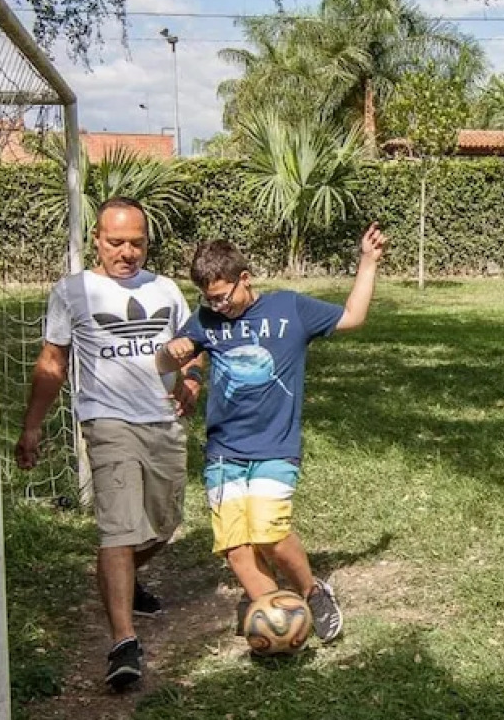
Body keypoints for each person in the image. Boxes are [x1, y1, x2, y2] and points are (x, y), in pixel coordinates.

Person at [156, 225, 387, 646]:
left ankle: (314, 592)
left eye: (224, 295)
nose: (218, 306)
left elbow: (353, 317)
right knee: (235, 544)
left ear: (246, 278)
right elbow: (173, 359)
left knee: (269, 533)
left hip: (274, 446)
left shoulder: (289, 309)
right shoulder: (206, 319)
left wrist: (367, 262)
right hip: (223, 450)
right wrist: (172, 359)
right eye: (209, 299)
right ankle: (276, 617)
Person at [15, 197, 201, 691]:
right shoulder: (73, 292)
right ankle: (124, 642)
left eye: (136, 242)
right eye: (116, 242)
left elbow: (190, 348)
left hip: (162, 420)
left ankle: (121, 578)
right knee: (118, 529)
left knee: (164, 524)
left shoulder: (165, 290)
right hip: (106, 421)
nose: (127, 252)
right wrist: (33, 425)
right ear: (97, 239)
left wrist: (194, 378)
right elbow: (53, 362)